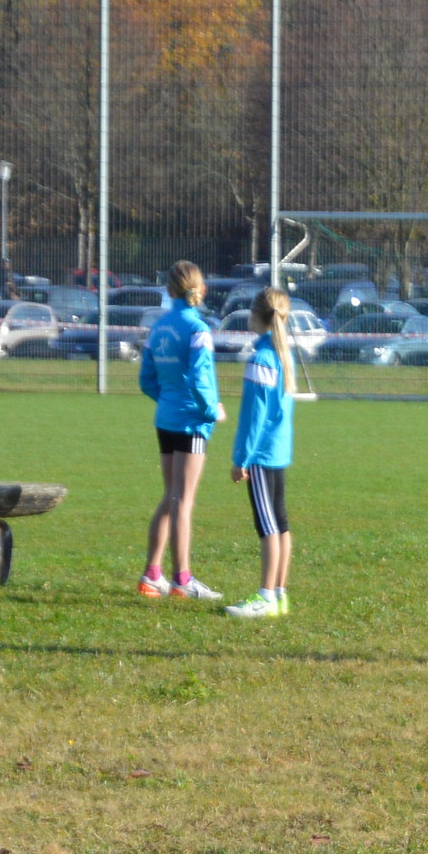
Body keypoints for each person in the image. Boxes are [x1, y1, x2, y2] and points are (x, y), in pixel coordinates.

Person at [137, 259, 223, 600]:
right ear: (201, 289)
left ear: (169, 290)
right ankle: (182, 580)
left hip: (166, 418)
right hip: (191, 421)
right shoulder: (198, 329)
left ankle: (151, 575)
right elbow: (201, 379)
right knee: (183, 501)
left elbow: (146, 379)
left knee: (171, 496)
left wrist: (168, 400)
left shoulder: (158, 327)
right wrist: (211, 410)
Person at [222, 289, 297, 620]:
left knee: (268, 526)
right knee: (280, 523)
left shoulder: (261, 359)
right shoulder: (281, 354)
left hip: (261, 455)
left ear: (255, 316)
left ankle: (266, 596)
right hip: (277, 451)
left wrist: (241, 458)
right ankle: (279, 594)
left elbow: (254, 417)